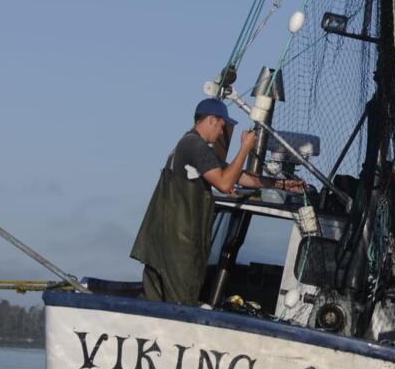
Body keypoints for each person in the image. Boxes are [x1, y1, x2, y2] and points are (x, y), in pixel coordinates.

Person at [130, 98, 303, 305]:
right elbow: (224, 182)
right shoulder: (196, 146)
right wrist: (245, 148)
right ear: (212, 120)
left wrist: (280, 184)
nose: (221, 132)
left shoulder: (188, 145)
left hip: (159, 248)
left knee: (152, 307)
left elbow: (238, 176)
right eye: (221, 126)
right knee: (180, 308)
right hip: (178, 250)